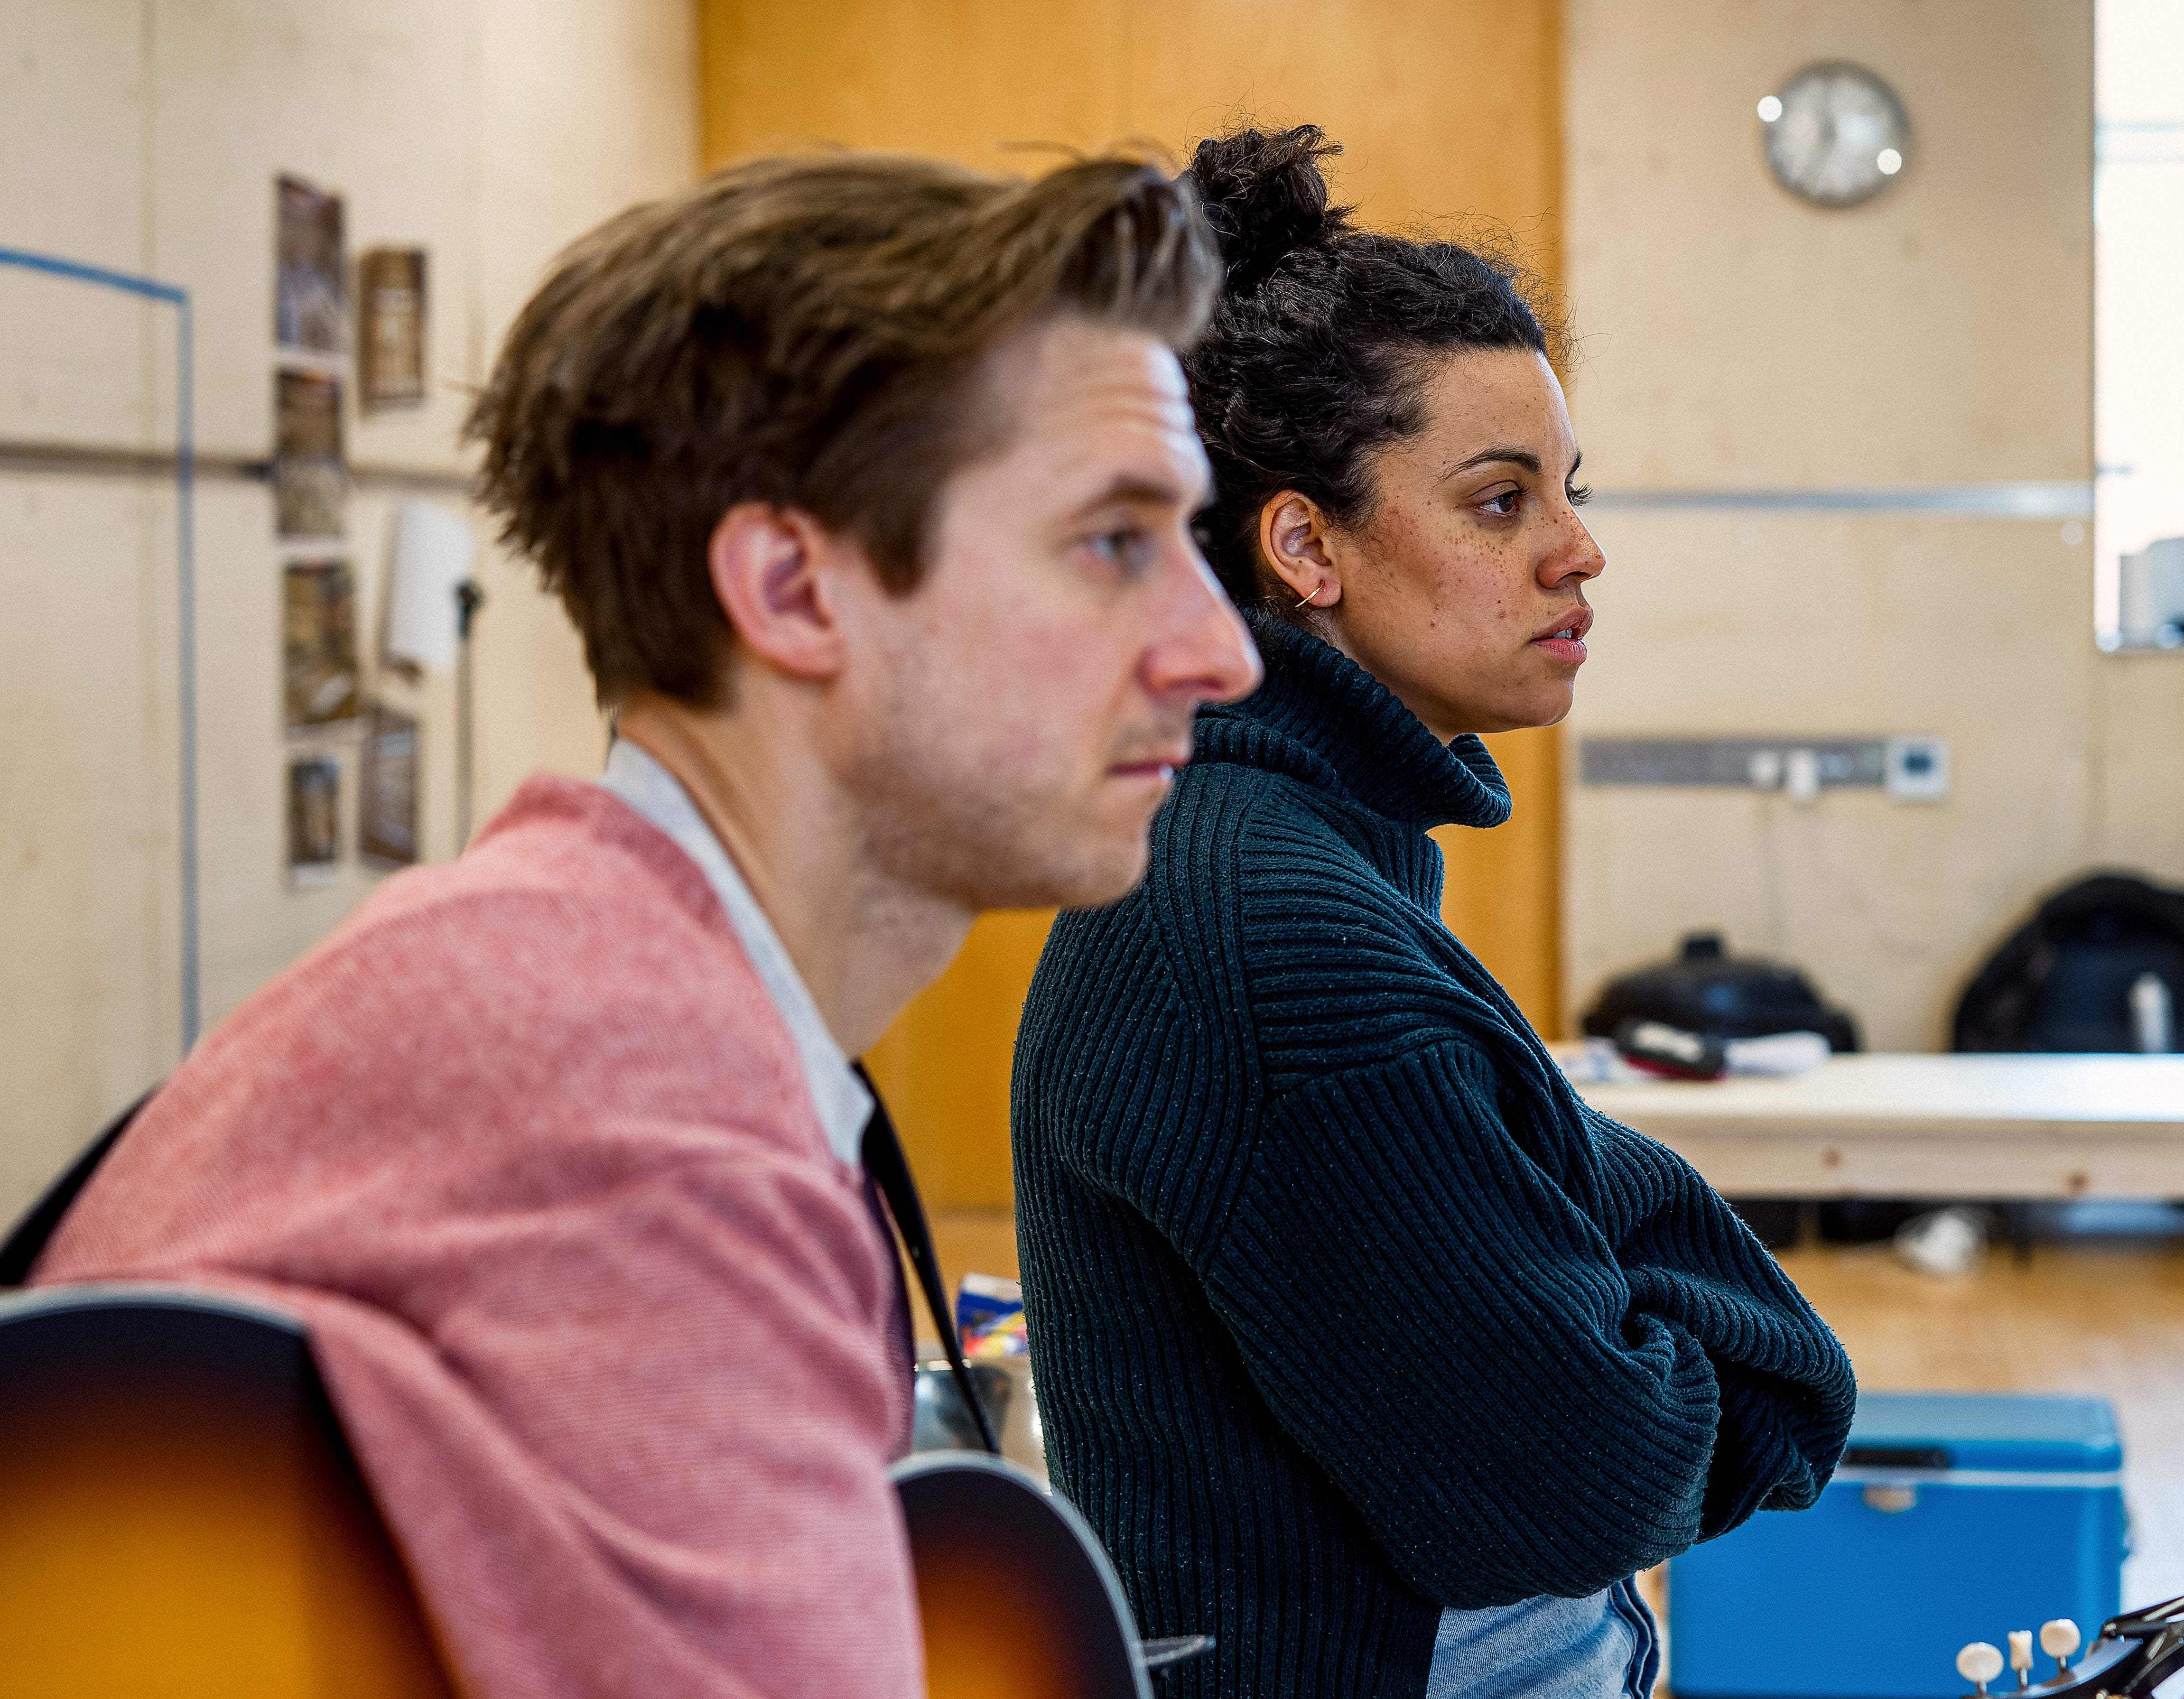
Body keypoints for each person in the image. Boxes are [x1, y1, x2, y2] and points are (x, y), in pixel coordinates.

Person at [36, 151, 1257, 1698]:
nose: (1222, 652)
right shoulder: (633, 1112)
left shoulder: (549, 969)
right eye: (1114, 544)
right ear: (793, 591)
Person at [1011, 126, 1858, 1699]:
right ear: (1303, 546)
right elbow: (1585, 1485)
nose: (1576, 550)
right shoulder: (1269, 935)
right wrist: (1635, 1245)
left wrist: (1577, 1203)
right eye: (1497, 501)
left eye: (1567, 491)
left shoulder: (1280, 854)